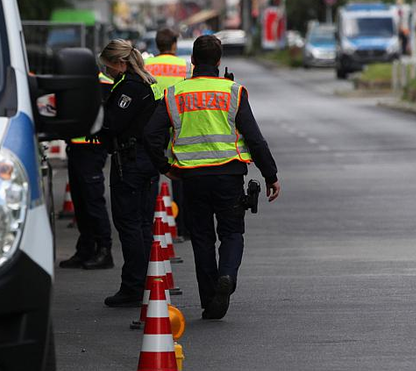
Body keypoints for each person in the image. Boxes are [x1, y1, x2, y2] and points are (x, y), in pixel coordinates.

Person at [145, 34, 281, 320]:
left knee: (202, 238)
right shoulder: (233, 92)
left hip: (192, 177)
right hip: (228, 175)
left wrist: (164, 167)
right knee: (232, 233)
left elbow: (150, 134)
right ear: (219, 61)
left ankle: (210, 300)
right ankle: (227, 276)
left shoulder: (175, 93)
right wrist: (270, 175)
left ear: (193, 60)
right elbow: (255, 139)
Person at [98, 39, 160, 307]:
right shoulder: (147, 82)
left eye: (108, 65)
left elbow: (113, 123)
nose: (107, 71)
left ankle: (134, 286)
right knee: (142, 224)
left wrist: (98, 117)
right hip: (147, 160)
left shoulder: (130, 87)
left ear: (120, 63)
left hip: (131, 161)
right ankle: (144, 282)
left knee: (129, 224)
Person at [58, 70, 115, 270]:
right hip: (76, 147)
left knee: (93, 201)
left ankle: (104, 250)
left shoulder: (104, 84)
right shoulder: (75, 82)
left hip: (92, 148)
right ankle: (85, 249)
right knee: (80, 202)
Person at [145, 27, 191, 238]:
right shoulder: (186, 67)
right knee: (179, 176)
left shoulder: (146, 66)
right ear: (174, 44)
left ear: (157, 44)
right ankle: (182, 227)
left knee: (151, 172)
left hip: (152, 124)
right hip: (178, 125)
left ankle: (150, 223)